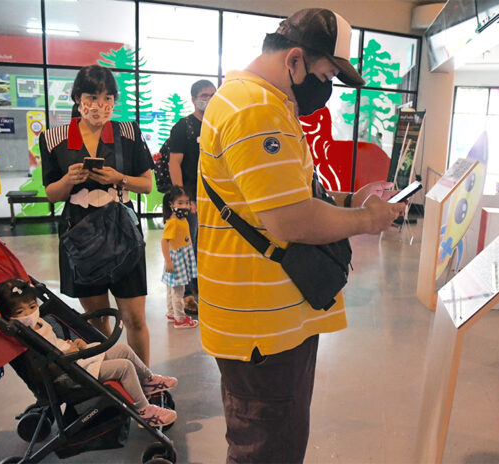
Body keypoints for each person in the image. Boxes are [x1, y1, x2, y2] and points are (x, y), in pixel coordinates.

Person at [197, 8, 406, 463]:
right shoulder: (256, 109)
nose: (326, 87)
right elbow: (290, 220)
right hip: (261, 325)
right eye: (326, 73)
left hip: (266, 315)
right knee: (267, 449)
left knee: (271, 438)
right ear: (295, 60)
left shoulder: (255, 100)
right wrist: (367, 221)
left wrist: (351, 201)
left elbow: (281, 194)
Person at [40, 65, 154, 364]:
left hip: (122, 228)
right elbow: (51, 193)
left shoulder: (127, 132)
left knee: (135, 318)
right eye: (93, 96)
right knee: (95, 320)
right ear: (78, 98)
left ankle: (145, 381)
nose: (101, 105)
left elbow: (146, 184)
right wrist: (68, 180)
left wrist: (119, 177)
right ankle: (113, 382)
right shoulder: (56, 137)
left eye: (108, 97)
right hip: (80, 231)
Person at [0, 278, 178, 427]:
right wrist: (67, 354)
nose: (30, 313)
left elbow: (55, 343)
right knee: (124, 367)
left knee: (122, 349)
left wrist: (74, 345)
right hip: (68, 371)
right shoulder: (25, 336)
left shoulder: (41, 322)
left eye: (32, 307)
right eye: (20, 312)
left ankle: (147, 380)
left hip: (74, 358)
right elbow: (45, 365)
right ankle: (143, 410)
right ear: (9, 317)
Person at [167, 79, 216, 315]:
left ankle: (202, 287)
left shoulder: (217, 125)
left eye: (212, 95)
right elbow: (174, 162)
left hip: (214, 197)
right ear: (194, 99)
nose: (208, 99)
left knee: (206, 244)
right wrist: (183, 199)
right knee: (186, 244)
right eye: (204, 95)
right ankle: (187, 294)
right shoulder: (183, 127)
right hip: (191, 195)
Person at [161, 186, 198, 329]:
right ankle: (180, 319)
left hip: (181, 256)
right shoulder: (173, 223)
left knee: (172, 289)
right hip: (176, 260)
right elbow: (164, 242)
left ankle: (172, 313)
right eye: (180, 203)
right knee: (178, 291)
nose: (185, 206)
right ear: (171, 205)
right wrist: (168, 261)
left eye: (187, 202)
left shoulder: (181, 220)